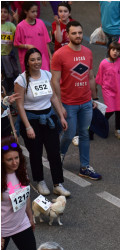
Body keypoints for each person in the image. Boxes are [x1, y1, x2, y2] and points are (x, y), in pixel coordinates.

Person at [14, 48, 70, 197]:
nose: (36, 62)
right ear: (27, 62)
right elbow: (19, 105)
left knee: (54, 152)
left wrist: (61, 117)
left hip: (49, 118)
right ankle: (40, 181)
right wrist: (27, 126)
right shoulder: (21, 80)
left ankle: (58, 183)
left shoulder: (47, 74)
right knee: (35, 153)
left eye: (38, 59)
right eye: (32, 60)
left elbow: (53, 98)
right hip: (32, 119)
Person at [51, 20, 101, 180]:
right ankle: (59, 154)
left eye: (80, 32)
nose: (78, 35)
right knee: (69, 133)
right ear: (67, 34)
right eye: (74, 33)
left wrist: (94, 98)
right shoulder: (59, 55)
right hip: (68, 103)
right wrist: (59, 105)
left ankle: (85, 167)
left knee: (84, 134)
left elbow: (91, 76)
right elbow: (54, 82)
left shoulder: (88, 52)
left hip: (86, 102)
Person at [1, 136, 37, 250]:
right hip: (2, 229)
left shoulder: (21, 171)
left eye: (16, 158)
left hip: (21, 225)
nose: (14, 162)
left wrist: (30, 216)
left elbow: (25, 196)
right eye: (9, 159)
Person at [96, 42, 120, 140]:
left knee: (119, 109)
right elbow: (99, 77)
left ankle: (118, 129)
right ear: (109, 50)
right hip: (108, 90)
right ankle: (100, 123)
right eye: (113, 50)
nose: (115, 52)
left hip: (119, 90)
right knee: (110, 109)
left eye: (118, 51)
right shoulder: (104, 63)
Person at [14, 2, 51, 72]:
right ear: (25, 11)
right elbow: (16, 43)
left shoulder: (41, 23)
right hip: (29, 61)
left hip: (43, 59)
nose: (35, 14)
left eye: (36, 11)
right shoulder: (20, 26)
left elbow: (46, 41)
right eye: (33, 11)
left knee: (45, 80)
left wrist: (50, 57)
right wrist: (26, 46)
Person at [1, 4, 19, 94]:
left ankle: (11, 92)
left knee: (11, 74)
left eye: (5, 12)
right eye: (1, 12)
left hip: (9, 55)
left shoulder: (10, 25)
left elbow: (19, 33)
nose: (3, 14)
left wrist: (17, 20)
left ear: (8, 14)